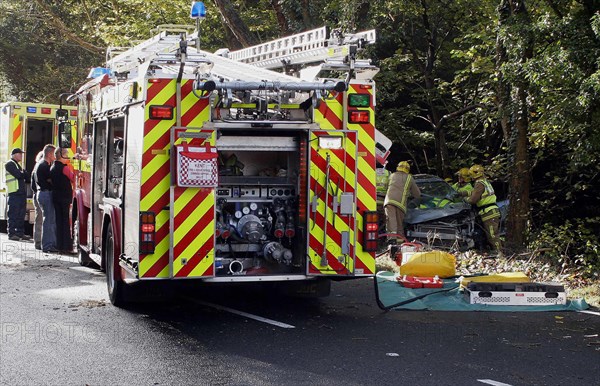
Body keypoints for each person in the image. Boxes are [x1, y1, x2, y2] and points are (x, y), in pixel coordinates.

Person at [464, 164, 503, 257]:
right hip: (492, 211)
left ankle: (499, 253)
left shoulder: (479, 184)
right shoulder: (485, 182)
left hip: (488, 212)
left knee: (492, 235)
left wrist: (465, 200)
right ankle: (496, 251)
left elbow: (473, 199)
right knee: (492, 234)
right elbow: (474, 192)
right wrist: (461, 193)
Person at [384, 161, 421, 244]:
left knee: (391, 220)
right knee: (399, 223)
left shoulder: (392, 175)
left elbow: (386, 187)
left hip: (389, 201)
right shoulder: (409, 178)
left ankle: (392, 239)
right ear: (408, 169)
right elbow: (417, 194)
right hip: (401, 203)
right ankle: (401, 240)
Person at [50, 147, 75, 254]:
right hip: (64, 198)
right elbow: (73, 178)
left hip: (56, 197)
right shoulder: (64, 168)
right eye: (66, 154)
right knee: (65, 222)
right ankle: (67, 247)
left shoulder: (52, 167)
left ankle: (59, 245)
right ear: (62, 155)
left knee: (59, 222)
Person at [35, 144, 58, 253]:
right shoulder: (44, 166)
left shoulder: (41, 164)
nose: (55, 156)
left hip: (42, 194)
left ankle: (50, 244)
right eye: (54, 154)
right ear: (49, 154)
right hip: (45, 193)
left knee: (49, 220)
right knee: (48, 221)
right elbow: (51, 181)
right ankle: (47, 246)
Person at [4, 148, 31, 241]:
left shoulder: (18, 165)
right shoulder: (9, 164)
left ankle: (20, 233)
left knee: (21, 214)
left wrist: (22, 173)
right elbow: (19, 175)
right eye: (20, 154)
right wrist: (22, 173)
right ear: (14, 154)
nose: (21, 156)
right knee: (13, 214)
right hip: (14, 193)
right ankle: (11, 234)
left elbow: (27, 177)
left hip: (20, 193)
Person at [31, 151, 45, 250]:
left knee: (39, 219)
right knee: (39, 220)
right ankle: (38, 242)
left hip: (36, 195)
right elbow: (34, 186)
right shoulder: (38, 168)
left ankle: (38, 241)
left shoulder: (35, 168)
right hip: (38, 195)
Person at [375, 162, 390, 231]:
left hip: (373, 199)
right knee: (386, 219)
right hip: (384, 200)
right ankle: (384, 232)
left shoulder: (371, 172)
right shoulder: (388, 173)